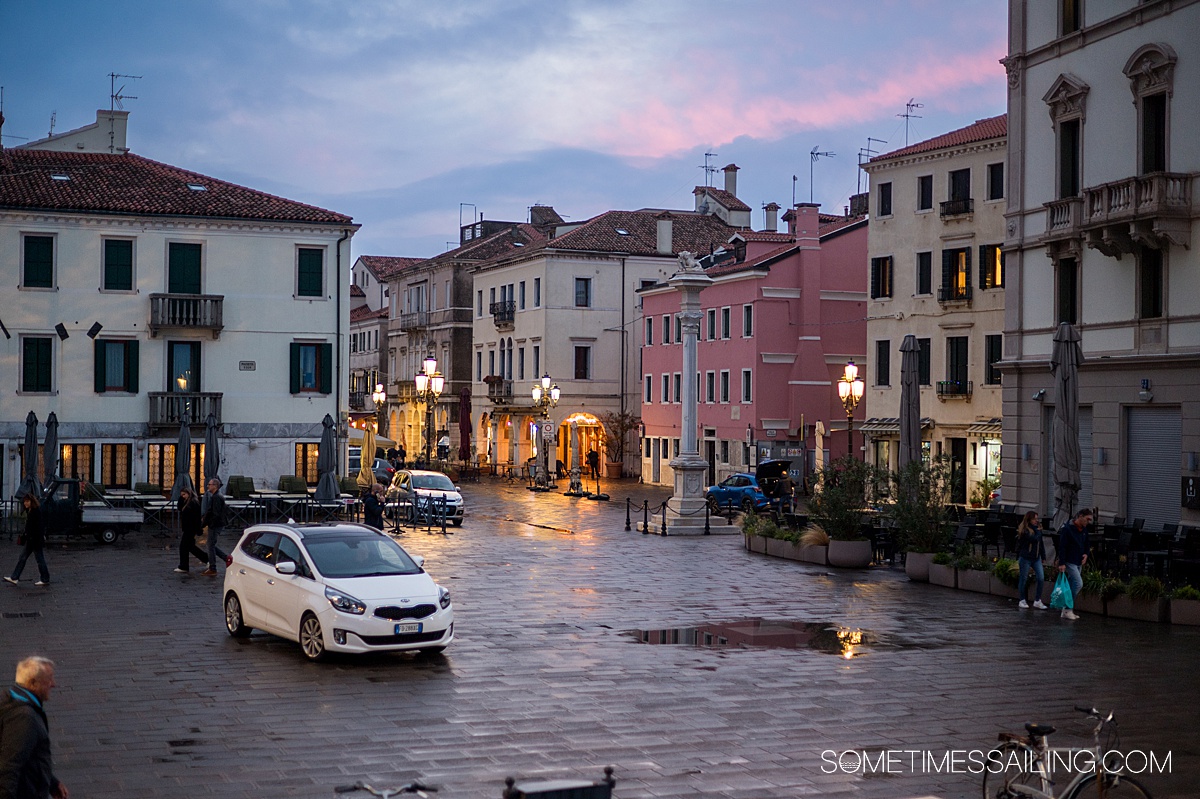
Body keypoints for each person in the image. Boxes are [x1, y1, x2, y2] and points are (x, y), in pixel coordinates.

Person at [0, 656, 69, 799]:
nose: (53, 684)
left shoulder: (11, 698)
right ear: (33, 683)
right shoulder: (25, 718)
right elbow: (9, 766)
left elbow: (31, 756)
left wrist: (51, 782)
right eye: (49, 679)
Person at [5, 494, 50, 587]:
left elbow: (37, 527)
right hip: (32, 540)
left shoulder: (35, 512)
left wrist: (30, 536)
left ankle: (45, 578)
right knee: (23, 558)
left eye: (27, 501)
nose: (25, 503)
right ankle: (15, 577)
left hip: (35, 541)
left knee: (39, 559)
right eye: (24, 501)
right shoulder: (30, 511)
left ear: (31, 502)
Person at [1056, 508, 1092, 620]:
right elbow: (1062, 547)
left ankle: (1067, 610)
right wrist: (1062, 563)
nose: (1088, 522)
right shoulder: (1067, 529)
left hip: (1078, 560)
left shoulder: (1084, 530)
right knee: (1078, 583)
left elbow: (1086, 543)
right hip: (1070, 560)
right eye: (1087, 519)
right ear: (1080, 516)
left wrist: (1086, 554)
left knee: (1073, 583)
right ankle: (1067, 608)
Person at [1016, 511, 1047, 610]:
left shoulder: (1037, 530)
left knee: (1041, 578)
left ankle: (1037, 600)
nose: (1036, 521)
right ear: (1029, 519)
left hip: (1036, 557)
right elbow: (1033, 539)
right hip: (1026, 557)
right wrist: (1039, 532)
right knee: (1023, 578)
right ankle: (1022, 599)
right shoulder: (1025, 530)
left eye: (1037, 519)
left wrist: (1043, 556)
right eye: (1034, 519)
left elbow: (1040, 543)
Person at [174, 488, 209, 574]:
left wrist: (198, 529)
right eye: (181, 495)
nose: (183, 496)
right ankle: (207, 559)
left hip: (190, 528)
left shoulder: (193, 503)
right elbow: (179, 508)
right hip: (188, 528)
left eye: (184, 495)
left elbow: (196, 518)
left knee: (183, 547)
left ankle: (184, 566)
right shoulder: (186, 502)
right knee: (190, 547)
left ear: (189, 494)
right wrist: (181, 498)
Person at [200, 478, 228, 577]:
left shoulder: (216, 497)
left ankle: (213, 567)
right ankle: (226, 558)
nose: (208, 486)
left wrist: (208, 523)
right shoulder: (216, 496)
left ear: (215, 486)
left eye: (209, 484)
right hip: (217, 523)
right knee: (211, 544)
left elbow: (215, 513)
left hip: (215, 524)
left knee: (210, 545)